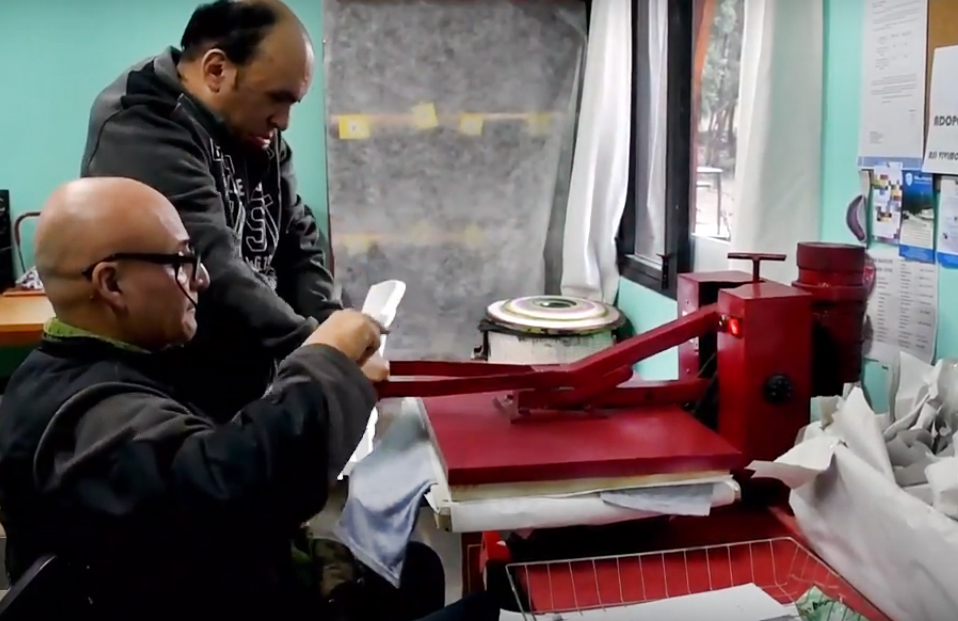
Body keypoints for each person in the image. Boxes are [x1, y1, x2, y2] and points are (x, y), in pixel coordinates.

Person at [0, 178, 498, 621]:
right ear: (111, 283)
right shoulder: (87, 421)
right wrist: (327, 359)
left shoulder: (79, 371)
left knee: (416, 568)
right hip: (207, 597)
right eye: (181, 261)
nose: (201, 278)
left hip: (197, 586)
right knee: (487, 605)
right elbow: (238, 487)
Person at [80, 0, 346, 421]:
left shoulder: (254, 128)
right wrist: (321, 347)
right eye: (277, 99)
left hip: (248, 387)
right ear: (217, 69)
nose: (284, 121)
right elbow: (207, 263)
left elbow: (298, 238)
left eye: (293, 103)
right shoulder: (141, 119)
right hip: (169, 404)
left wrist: (332, 327)